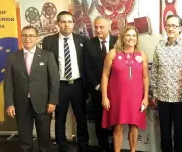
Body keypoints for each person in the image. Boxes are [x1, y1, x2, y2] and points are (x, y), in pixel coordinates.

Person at [4, 26, 59, 152]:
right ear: (21, 37)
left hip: (44, 104)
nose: (27, 38)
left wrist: (53, 101)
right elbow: (8, 82)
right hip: (21, 103)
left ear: (37, 38)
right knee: (24, 136)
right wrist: (9, 104)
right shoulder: (13, 57)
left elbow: (54, 81)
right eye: (24, 35)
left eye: (31, 35)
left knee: (44, 135)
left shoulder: (47, 56)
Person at [42, 11, 89, 152]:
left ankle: (83, 143)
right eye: (63, 21)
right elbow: (45, 66)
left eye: (69, 21)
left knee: (81, 116)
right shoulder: (48, 41)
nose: (66, 24)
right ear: (58, 23)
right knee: (60, 117)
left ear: (73, 24)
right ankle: (61, 144)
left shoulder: (82, 40)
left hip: (78, 85)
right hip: (59, 86)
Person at [101, 26, 149, 152]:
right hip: (117, 97)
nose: (131, 38)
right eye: (128, 35)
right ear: (122, 37)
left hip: (136, 97)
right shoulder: (113, 53)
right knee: (118, 126)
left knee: (134, 125)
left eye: (134, 35)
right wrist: (104, 97)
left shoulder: (142, 55)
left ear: (137, 38)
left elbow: (145, 77)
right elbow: (105, 76)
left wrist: (145, 97)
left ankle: (133, 150)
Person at [151, 14, 182, 152]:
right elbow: (155, 70)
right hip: (162, 97)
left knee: (180, 133)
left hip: (180, 98)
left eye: (174, 25)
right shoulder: (159, 46)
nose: (170, 28)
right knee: (164, 133)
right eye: (168, 25)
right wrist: (154, 92)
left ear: (180, 28)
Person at [84, 16, 117, 152]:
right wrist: (98, 87)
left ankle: (116, 146)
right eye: (96, 27)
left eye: (101, 27)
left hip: (117, 90)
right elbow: (87, 69)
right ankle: (103, 146)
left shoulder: (118, 42)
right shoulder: (89, 45)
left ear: (109, 26)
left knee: (116, 120)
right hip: (97, 90)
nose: (98, 30)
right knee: (100, 119)